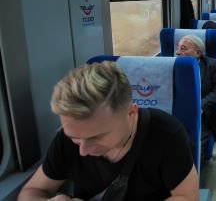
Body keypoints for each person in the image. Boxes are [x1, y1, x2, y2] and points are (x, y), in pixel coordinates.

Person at [18, 61, 199, 201]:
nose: (83, 150)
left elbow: (187, 197)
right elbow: (32, 191)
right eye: (75, 138)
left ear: (130, 112)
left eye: (96, 137)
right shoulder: (66, 139)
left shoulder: (167, 136)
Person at [175, 35, 216, 163]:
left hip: (201, 116)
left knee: (192, 154)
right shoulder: (169, 65)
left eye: (183, 48)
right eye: (177, 48)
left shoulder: (211, 65)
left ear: (198, 53)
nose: (177, 52)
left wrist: (201, 105)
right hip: (174, 112)